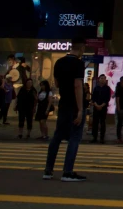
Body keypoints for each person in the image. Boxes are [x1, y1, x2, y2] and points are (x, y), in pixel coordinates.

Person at [43, 37, 87, 182]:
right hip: (74, 106)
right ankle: (67, 172)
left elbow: (56, 82)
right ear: (81, 49)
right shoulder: (79, 64)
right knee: (74, 138)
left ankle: (48, 171)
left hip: (63, 105)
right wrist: (80, 109)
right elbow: (78, 86)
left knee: (57, 137)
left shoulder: (59, 62)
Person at [91, 74, 111, 144]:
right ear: (99, 79)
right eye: (101, 78)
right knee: (95, 123)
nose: (102, 79)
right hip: (96, 107)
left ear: (105, 80)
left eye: (103, 78)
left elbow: (107, 98)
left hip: (103, 107)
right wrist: (96, 105)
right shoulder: (96, 88)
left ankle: (102, 138)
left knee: (102, 123)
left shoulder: (107, 88)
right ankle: (94, 137)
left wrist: (101, 105)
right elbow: (93, 98)